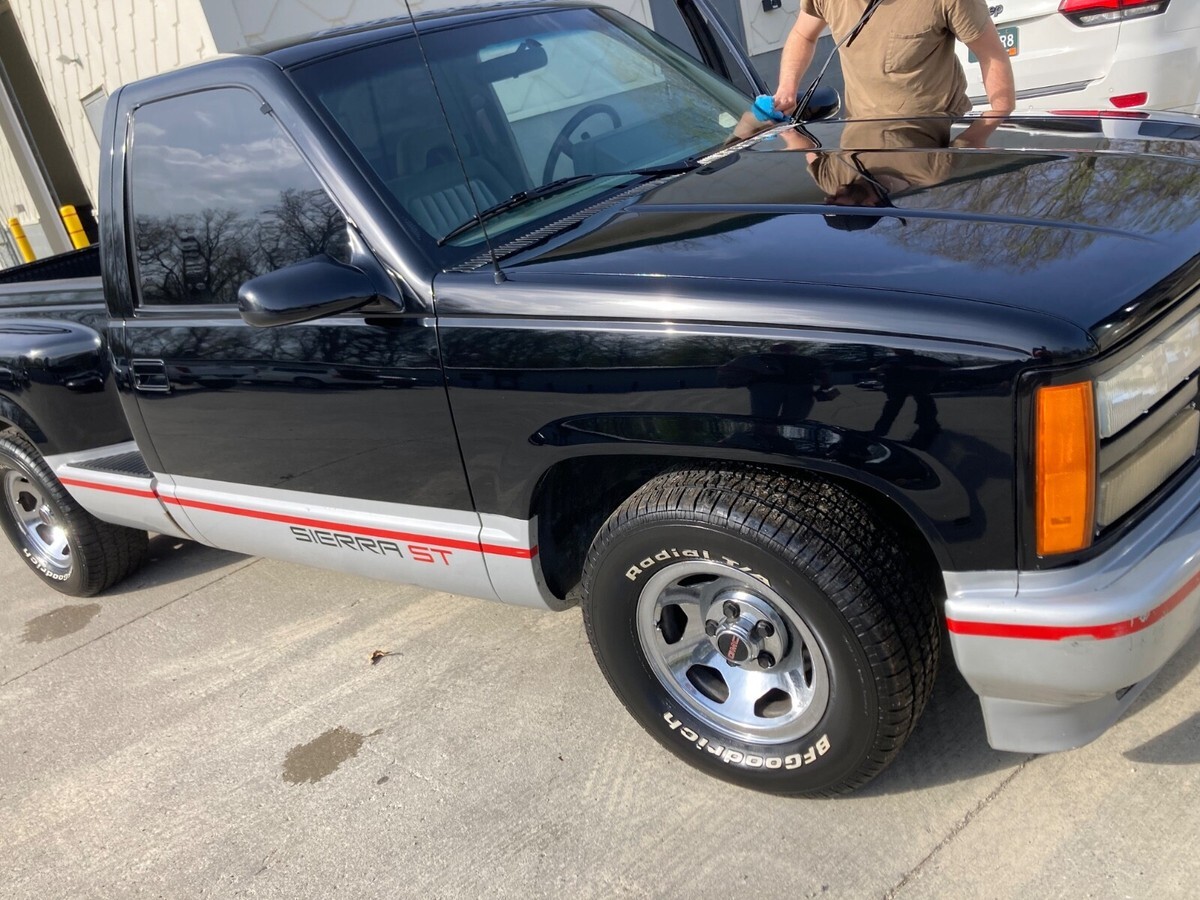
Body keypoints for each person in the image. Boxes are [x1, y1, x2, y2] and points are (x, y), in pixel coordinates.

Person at [772, 0, 1016, 122]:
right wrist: (787, 89)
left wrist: (994, 121)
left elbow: (992, 55)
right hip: (861, 143)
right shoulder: (843, 185)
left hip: (937, 141)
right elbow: (803, 35)